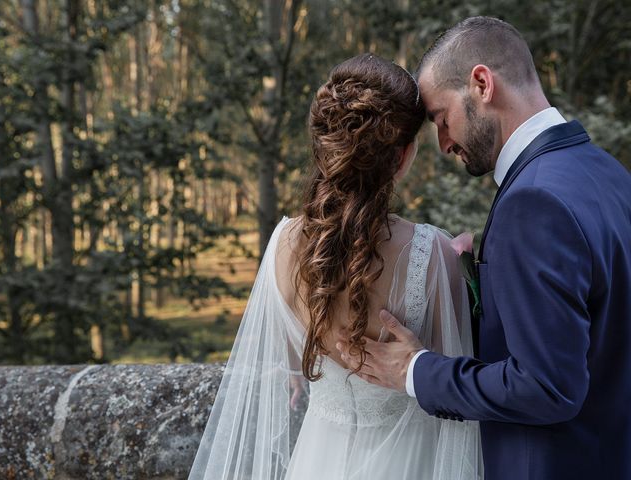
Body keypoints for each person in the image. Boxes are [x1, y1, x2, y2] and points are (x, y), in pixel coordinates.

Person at [337, 16, 631, 480]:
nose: (443, 141)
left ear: (480, 84)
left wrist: (415, 371)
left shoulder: (533, 202)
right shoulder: (608, 174)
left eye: (440, 117)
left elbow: (545, 387)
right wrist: (491, 269)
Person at [188, 54, 483, 480]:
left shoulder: (281, 245)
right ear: (402, 157)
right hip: (408, 463)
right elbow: (452, 386)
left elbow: (291, 358)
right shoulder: (430, 253)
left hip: (317, 459)